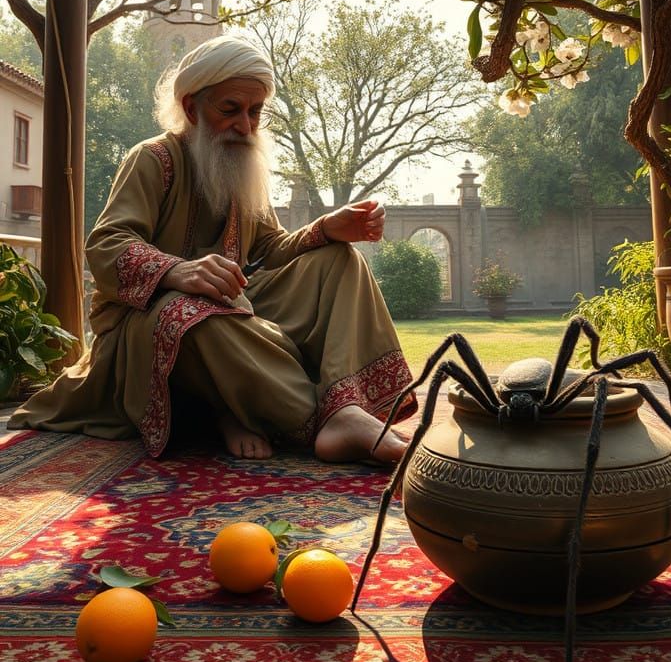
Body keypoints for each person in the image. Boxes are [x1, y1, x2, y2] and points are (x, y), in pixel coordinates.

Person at [9, 35, 416, 463]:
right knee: (189, 312)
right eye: (230, 109)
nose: (245, 125)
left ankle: (342, 407)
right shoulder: (152, 159)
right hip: (149, 330)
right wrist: (175, 272)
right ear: (191, 107)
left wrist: (324, 230)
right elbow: (106, 243)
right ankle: (311, 417)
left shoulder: (240, 167)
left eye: (255, 111)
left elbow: (271, 251)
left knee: (339, 260)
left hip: (234, 312)